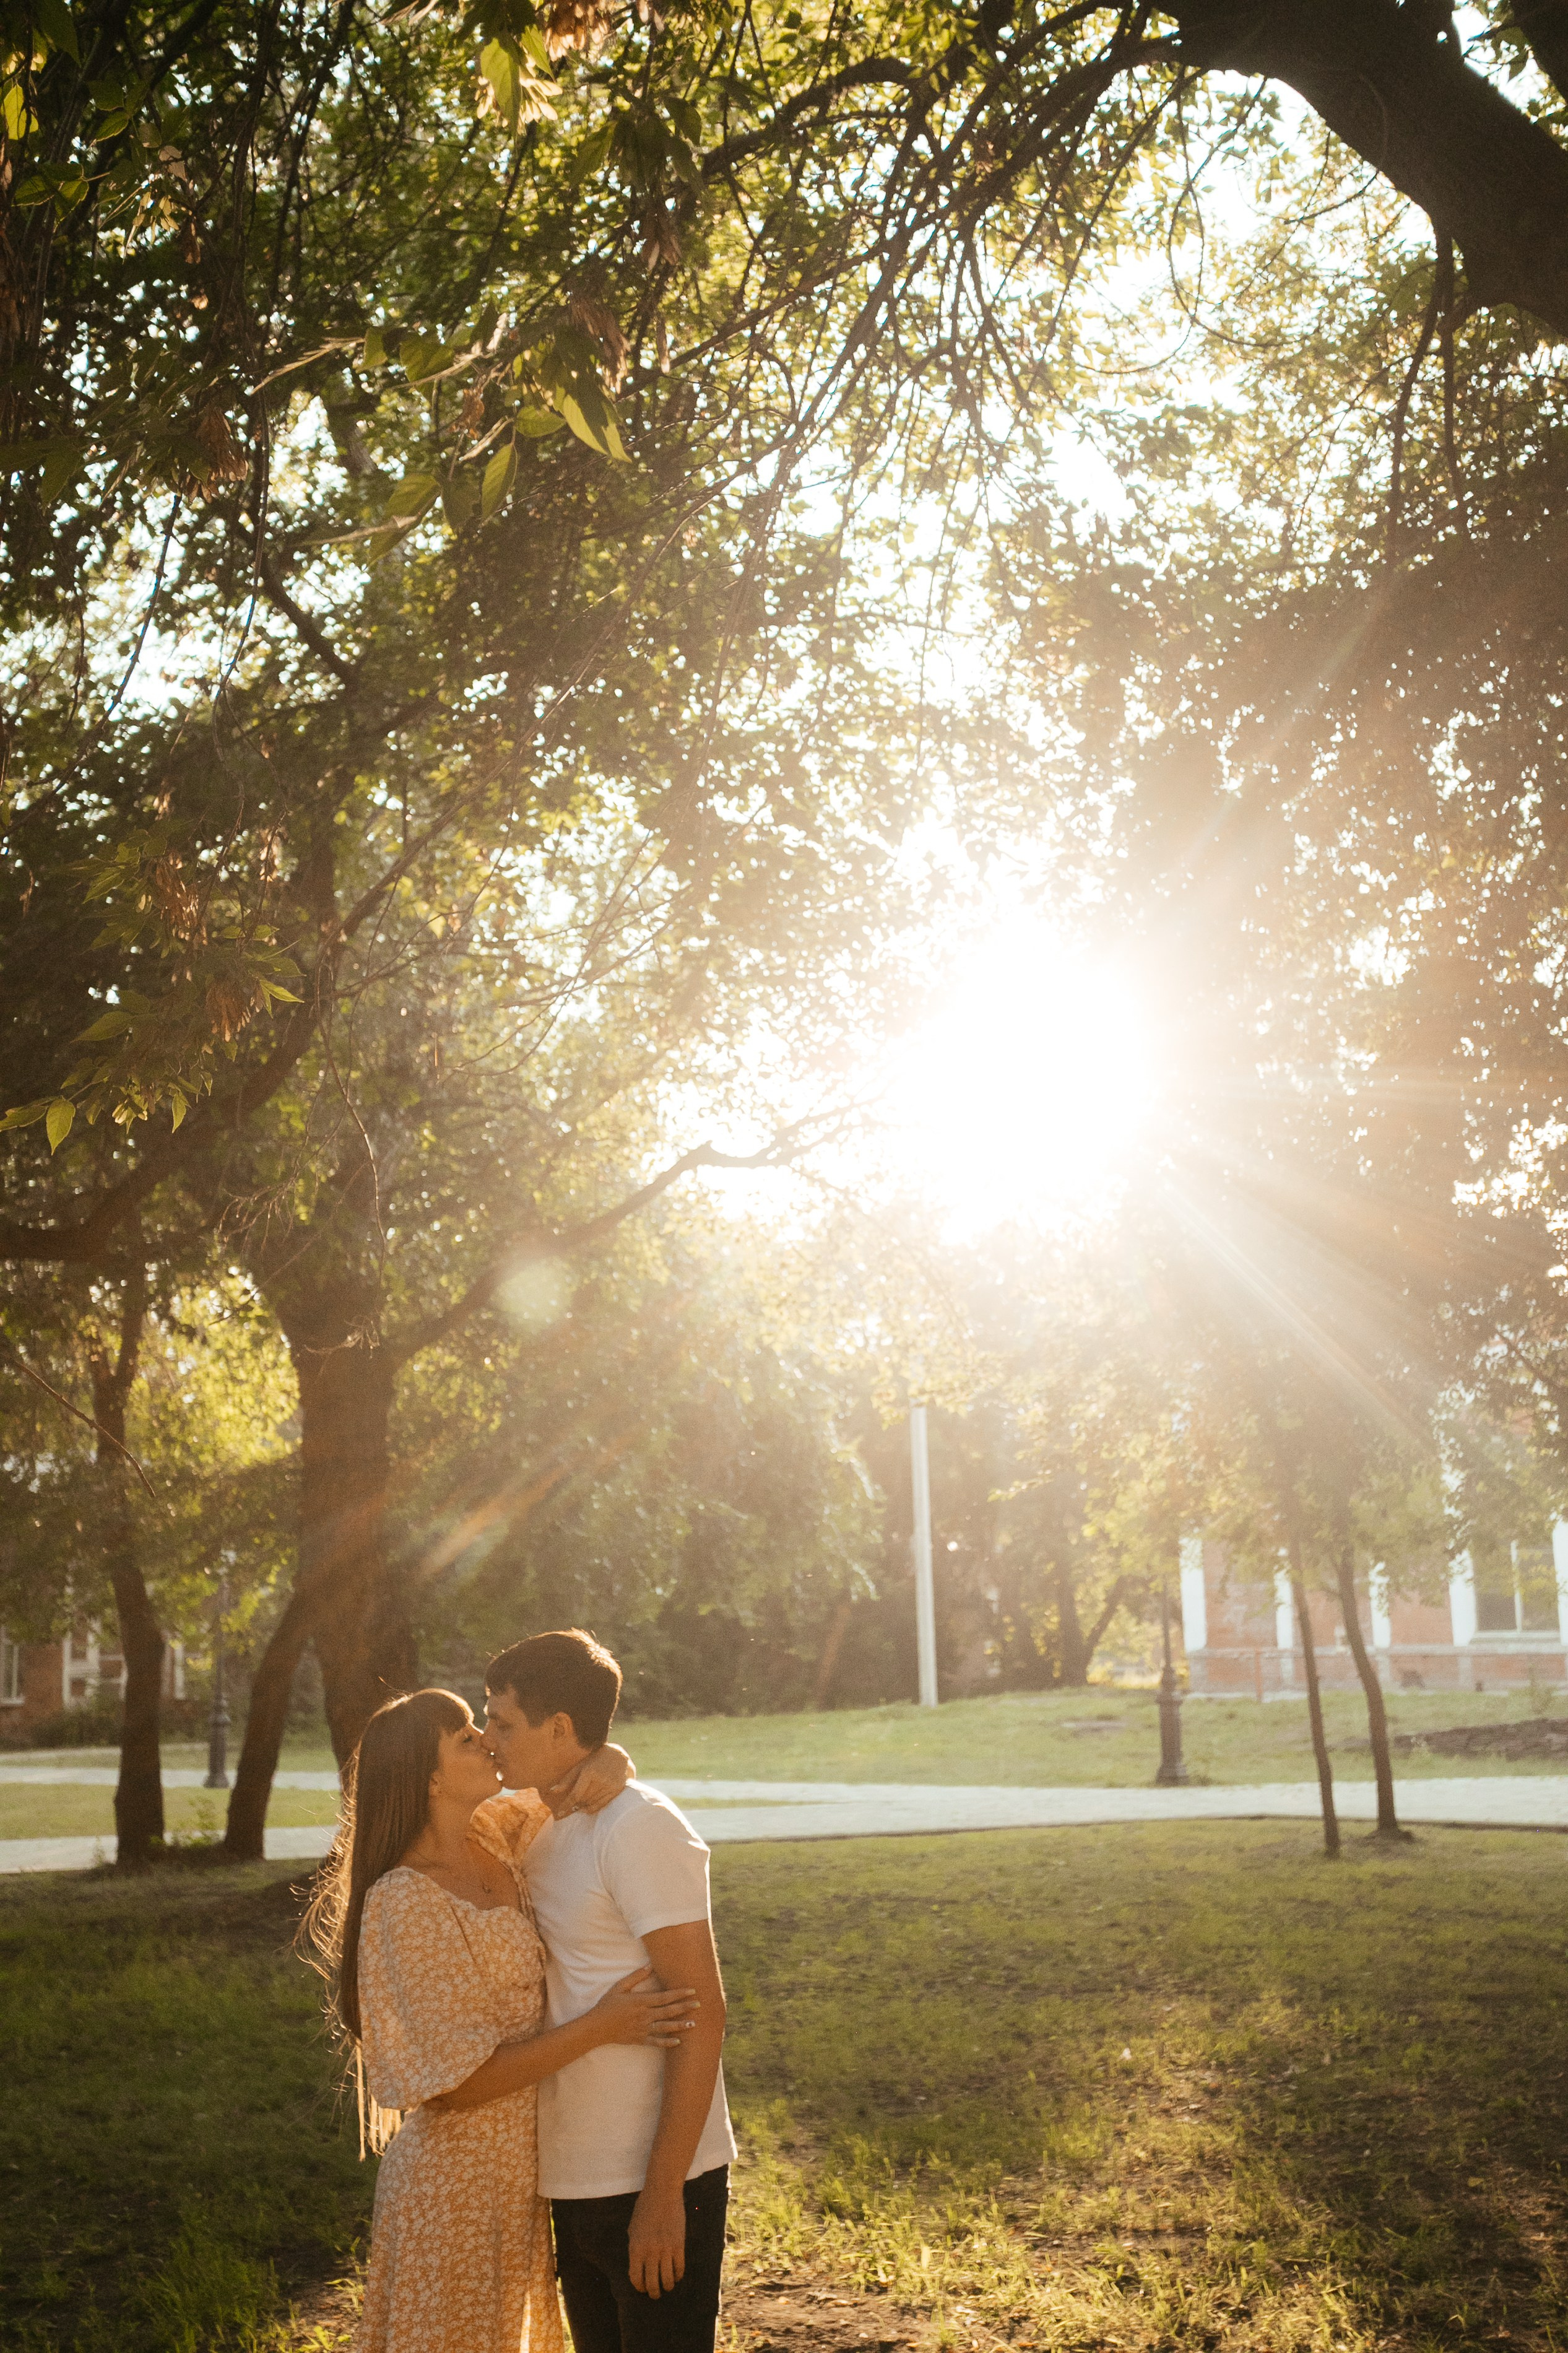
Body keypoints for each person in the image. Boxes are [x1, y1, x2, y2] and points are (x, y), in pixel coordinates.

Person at [300, 1685, 699, 2353]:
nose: (486, 1740)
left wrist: (613, 1754)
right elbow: (458, 2083)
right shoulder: (403, 1897)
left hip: (520, 2179)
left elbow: (569, 1778)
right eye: (465, 1738)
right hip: (454, 2189)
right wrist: (604, 2024)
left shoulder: (489, 1832)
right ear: (429, 1779)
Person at [482, 1630, 735, 2353]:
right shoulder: (530, 1825)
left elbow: (703, 2012)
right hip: (571, 2174)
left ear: (560, 1728)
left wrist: (662, 2193)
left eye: (503, 1721)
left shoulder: (640, 1827)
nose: (488, 1736)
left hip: (654, 2178)